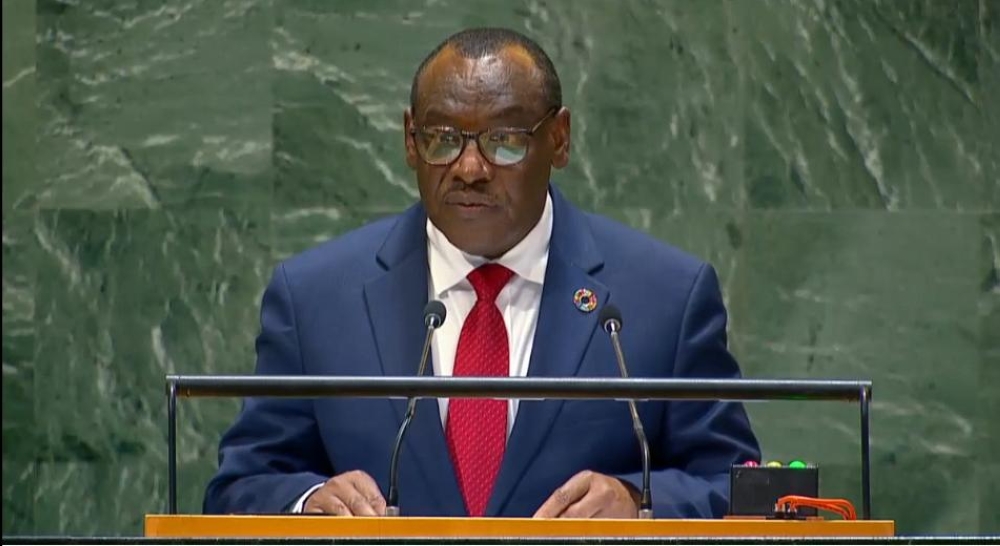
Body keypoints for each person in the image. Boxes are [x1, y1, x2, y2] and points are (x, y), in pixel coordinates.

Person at [204, 27, 760, 519]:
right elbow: (242, 485)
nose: (469, 168)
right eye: (442, 140)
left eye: (504, 141)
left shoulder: (664, 297)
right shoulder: (316, 298)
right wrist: (308, 502)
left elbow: (737, 486)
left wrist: (639, 503)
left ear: (559, 139)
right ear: (410, 141)